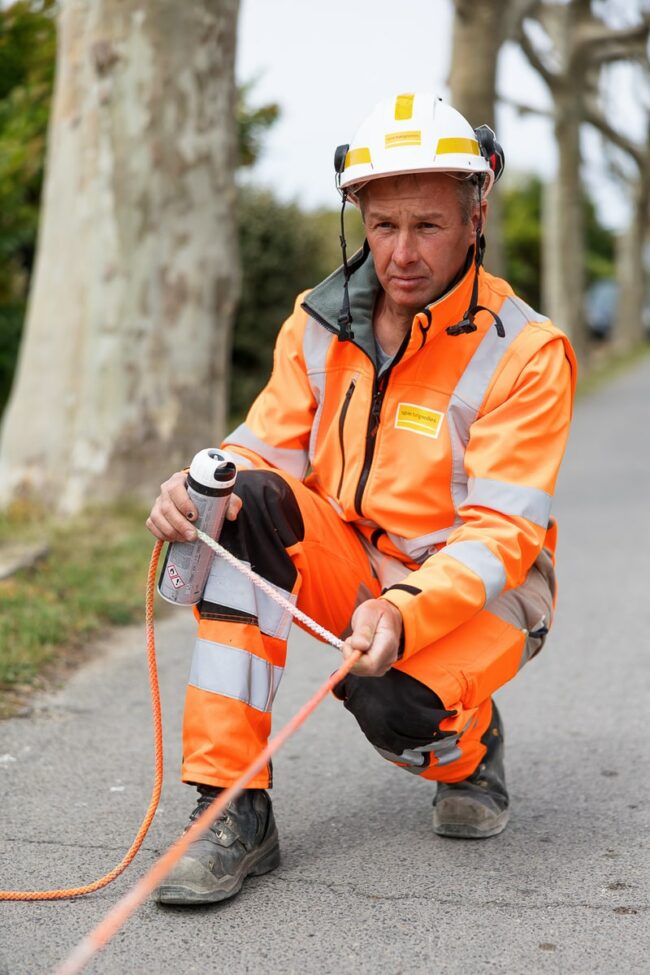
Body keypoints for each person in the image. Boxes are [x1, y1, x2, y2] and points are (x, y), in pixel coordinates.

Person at [146, 93, 576, 905]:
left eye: (428, 226)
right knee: (243, 502)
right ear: (358, 220)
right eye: (383, 226)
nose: (401, 253)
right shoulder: (315, 325)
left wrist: (404, 611)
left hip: (488, 587)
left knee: (394, 702)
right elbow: (261, 449)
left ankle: (469, 745)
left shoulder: (528, 351)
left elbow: (502, 531)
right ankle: (230, 805)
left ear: (475, 215)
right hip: (355, 565)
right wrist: (194, 487)